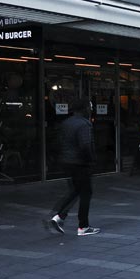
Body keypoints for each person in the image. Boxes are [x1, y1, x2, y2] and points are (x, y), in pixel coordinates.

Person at [49, 98, 99, 236]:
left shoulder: (66, 123)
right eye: (90, 107)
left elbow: (58, 142)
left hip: (67, 162)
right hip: (81, 163)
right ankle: (83, 226)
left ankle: (59, 217)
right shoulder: (84, 124)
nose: (91, 110)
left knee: (76, 190)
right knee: (86, 193)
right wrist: (91, 161)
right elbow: (85, 145)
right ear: (84, 109)